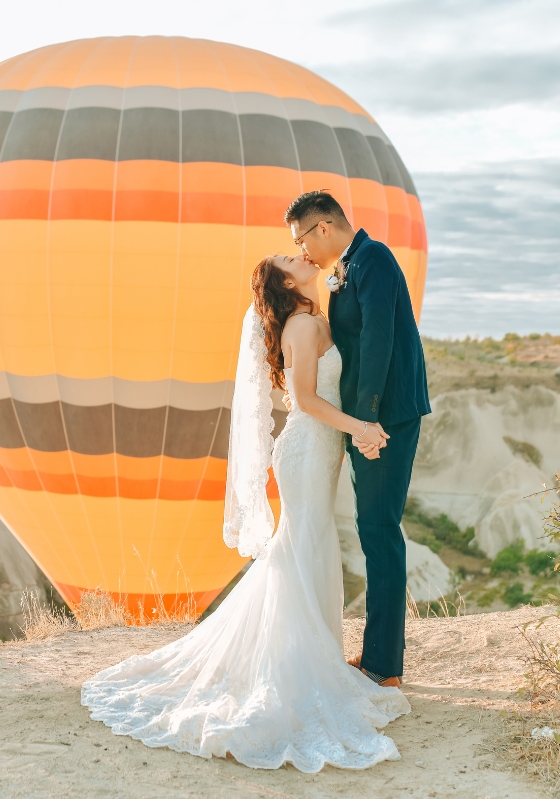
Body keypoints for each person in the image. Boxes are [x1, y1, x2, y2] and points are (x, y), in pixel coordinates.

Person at [80, 251, 409, 771]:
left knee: (311, 543)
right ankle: (295, 664)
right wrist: (360, 429)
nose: (296, 253)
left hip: (320, 449)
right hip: (306, 448)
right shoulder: (301, 326)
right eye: (286, 258)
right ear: (284, 281)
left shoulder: (315, 318)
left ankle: (313, 653)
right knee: (302, 544)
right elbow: (303, 401)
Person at [284, 190, 431, 687]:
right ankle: (378, 657)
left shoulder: (375, 260)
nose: (302, 251)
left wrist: (367, 425)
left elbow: (378, 345)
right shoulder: (344, 271)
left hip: (386, 416)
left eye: (301, 239)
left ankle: (384, 666)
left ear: (323, 228)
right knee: (372, 528)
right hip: (365, 419)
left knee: (378, 529)